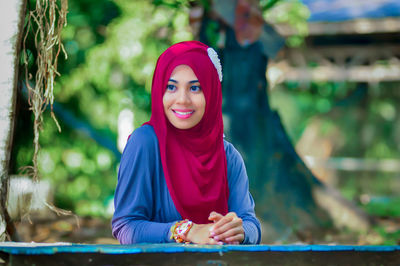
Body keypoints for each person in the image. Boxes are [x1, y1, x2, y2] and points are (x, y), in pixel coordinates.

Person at [112, 41, 261, 244]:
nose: (182, 99)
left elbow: (251, 224)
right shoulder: (145, 144)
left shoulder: (227, 156)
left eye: (195, 88)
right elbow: (126, 227)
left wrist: (240, 231)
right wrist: (187, 230)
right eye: (171, 87)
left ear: (212, 93)